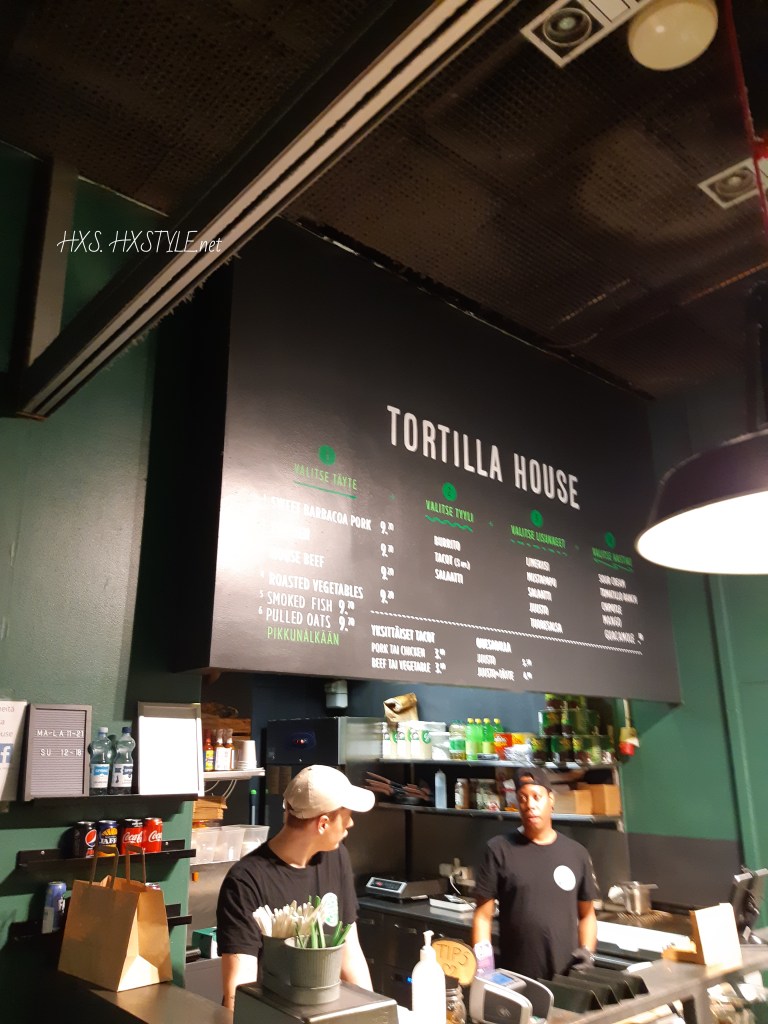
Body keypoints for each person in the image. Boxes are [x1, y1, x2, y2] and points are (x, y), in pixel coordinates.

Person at [216, 763, 375, 1010]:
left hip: (324, 1013)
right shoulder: (246, 881)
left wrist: (374, 1012)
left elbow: (350, 954)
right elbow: (239, 988)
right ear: (323, 823)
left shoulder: (336, 857)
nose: (351, 824)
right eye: (347, 815)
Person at [471, 765, 598, 981]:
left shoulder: (576, 854)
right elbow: (483, 917)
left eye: (536, 797)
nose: (530, 805)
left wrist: (587, 952)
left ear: (551, 799)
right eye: (523, 798)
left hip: (566, 978)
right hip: (515, 979)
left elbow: (587, 914)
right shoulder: (499, 850)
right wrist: (484, 969)